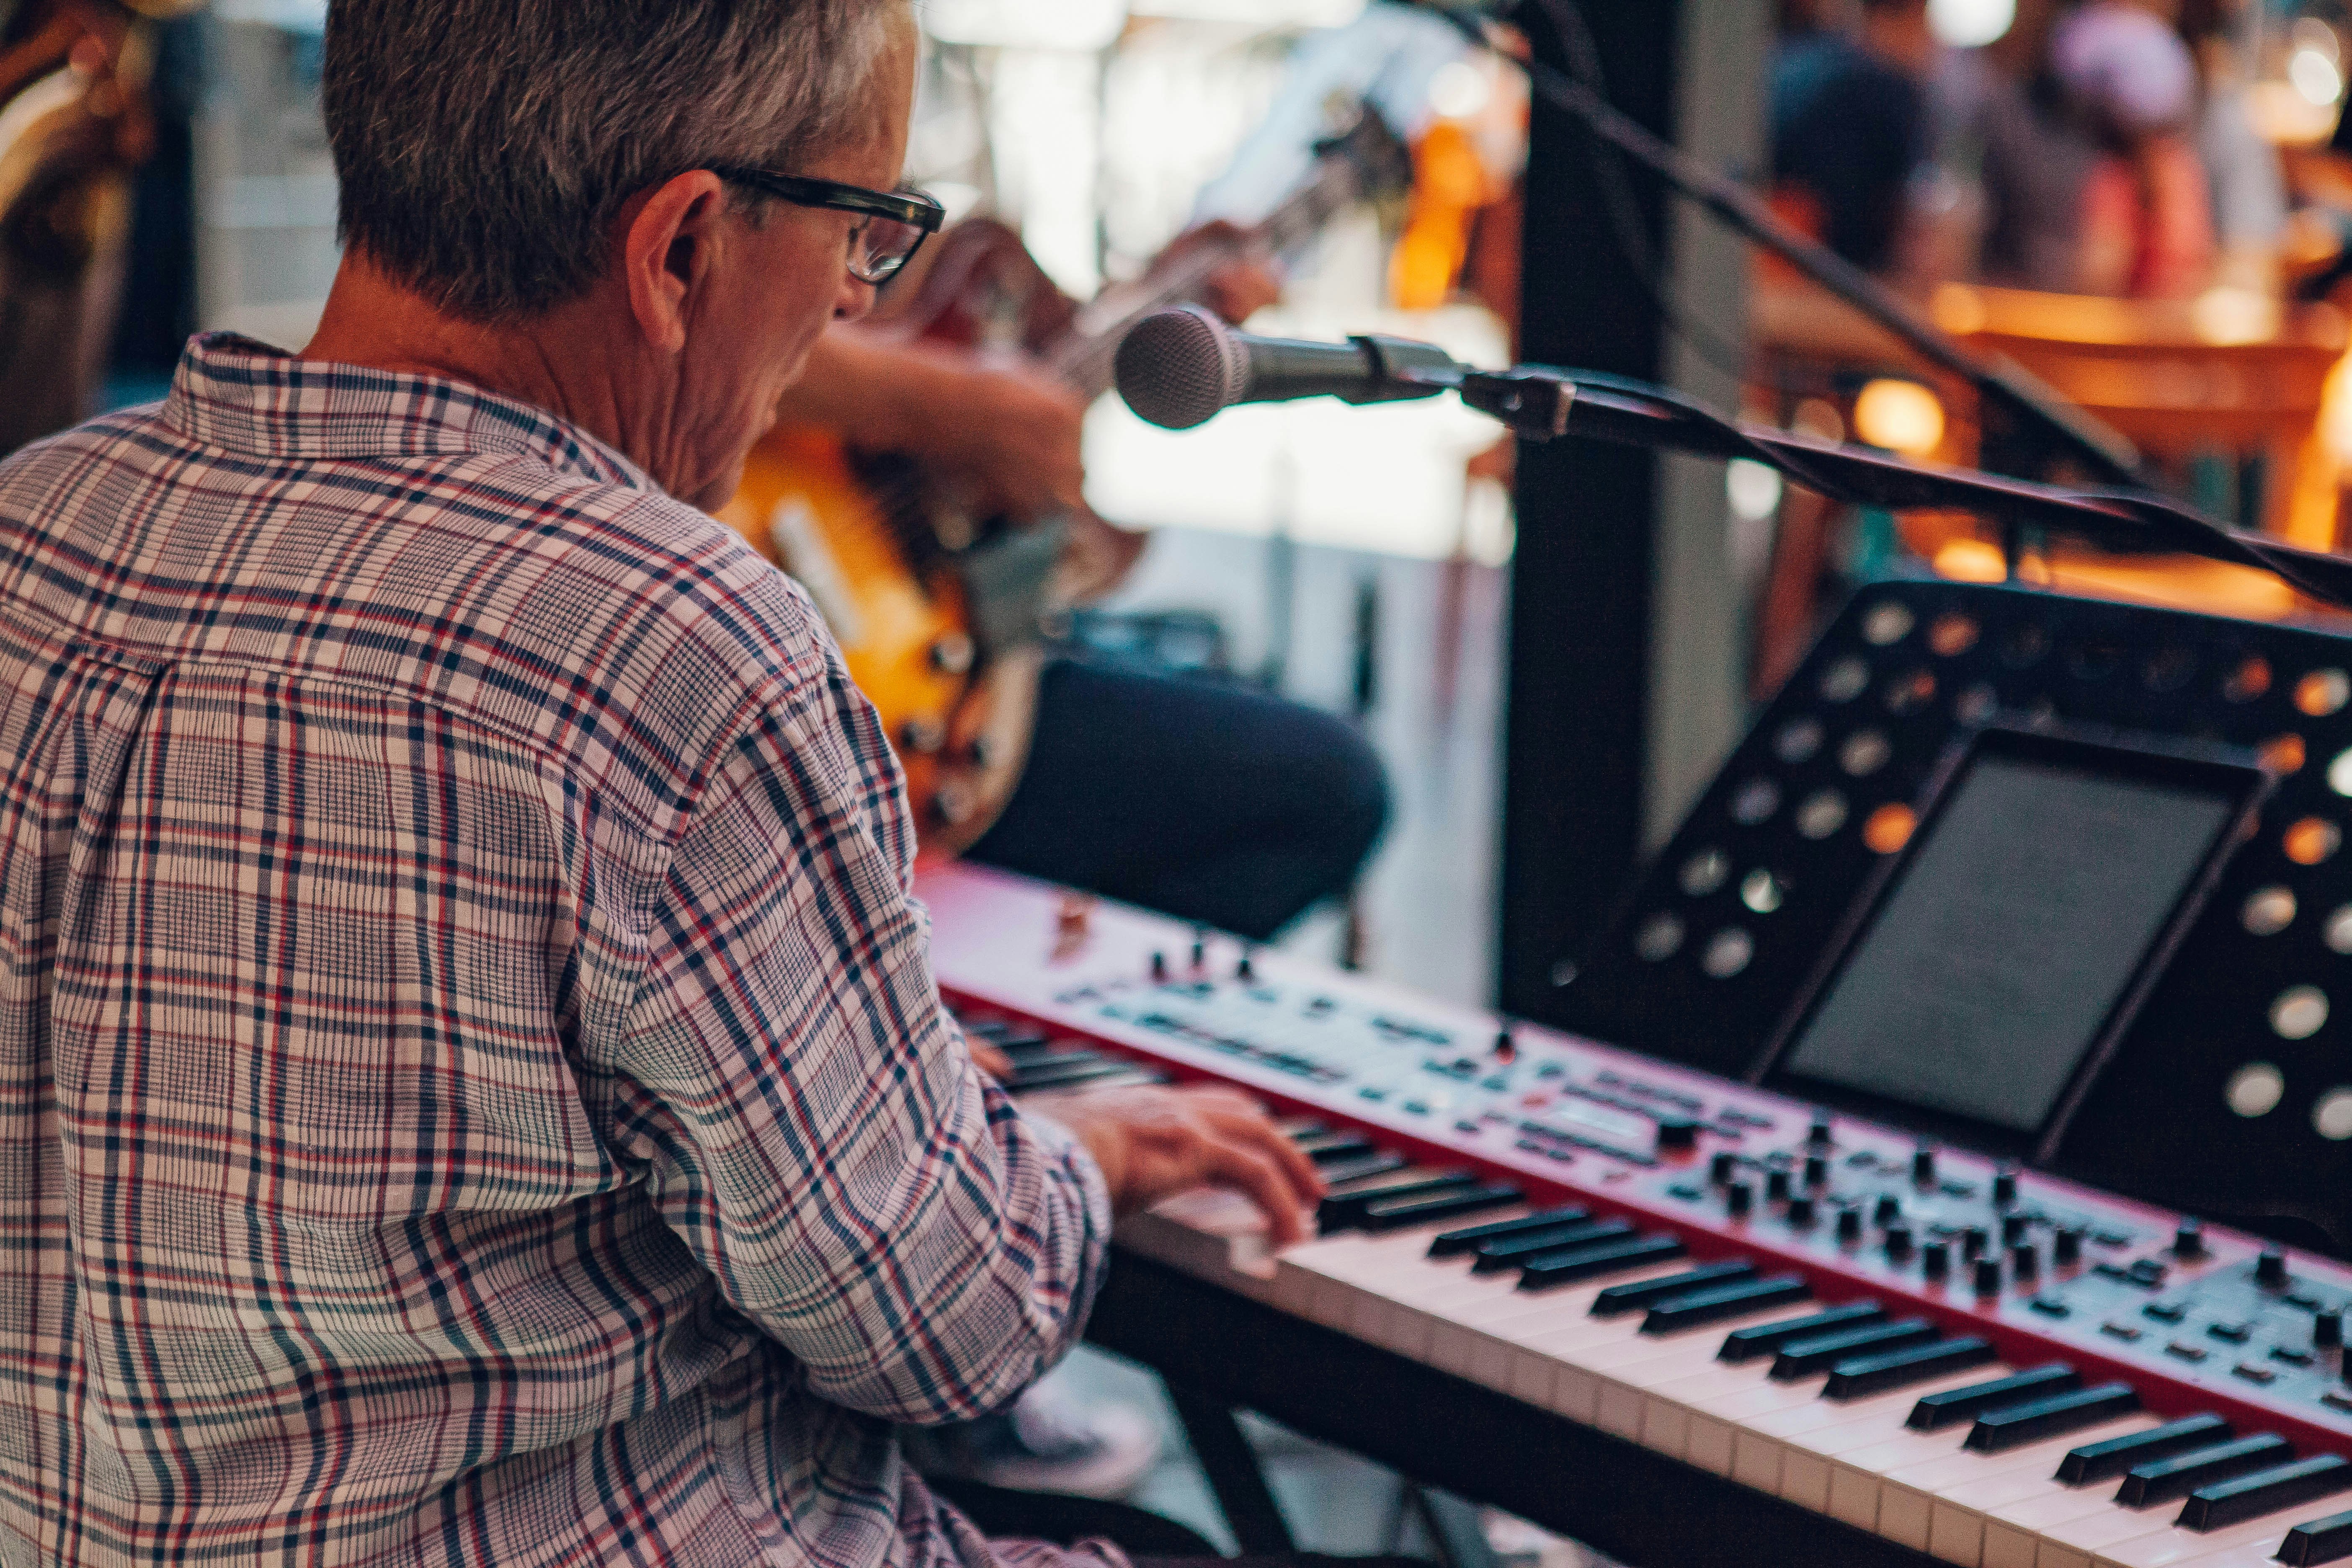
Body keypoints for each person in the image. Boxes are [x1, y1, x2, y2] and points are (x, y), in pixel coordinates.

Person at [0, 2, 1344, 1563]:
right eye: (868, 235)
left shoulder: (35, 525)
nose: (856, 299)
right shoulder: (677, 650)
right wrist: (1074, 1154)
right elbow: (947, 1328)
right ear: (684, 247)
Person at [762, 252, 1390, 949]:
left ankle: (1009, 1006)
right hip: (860, 640)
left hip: (948, 634)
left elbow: (1015, 362)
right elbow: (705, 329)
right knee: (1328, 789)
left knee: (1322, 780)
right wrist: (956, 407)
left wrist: (1163, 290)